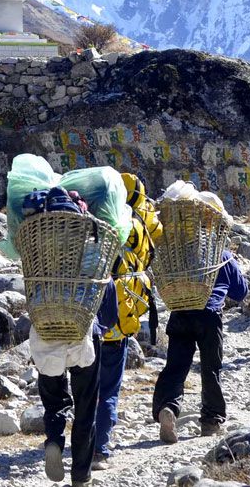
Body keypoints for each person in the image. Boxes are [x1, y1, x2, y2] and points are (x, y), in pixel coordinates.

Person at [93, 174, 162, 470]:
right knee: (109, 388)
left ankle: (79, 442)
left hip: (83, 322)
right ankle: (101, 450)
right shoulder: (135, 225)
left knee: (85, 387)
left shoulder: (88, 221)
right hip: (118, 322)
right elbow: (147, 258)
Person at [152, 249, 248, 441]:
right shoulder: (223, 255)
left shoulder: (178, 253)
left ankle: (168, 407)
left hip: (180, 312)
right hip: (209, 315)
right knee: (210, 367)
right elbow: (240, 292)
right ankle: (210, 422)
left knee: (175, 367)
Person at [38, 278, 118, 487]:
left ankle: (54, 439)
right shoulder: (98, 269)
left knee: (54, 399)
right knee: (86, 407)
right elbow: (110, 317)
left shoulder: (41, 270)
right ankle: (81, 476)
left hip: (46, 336)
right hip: (85, 340)